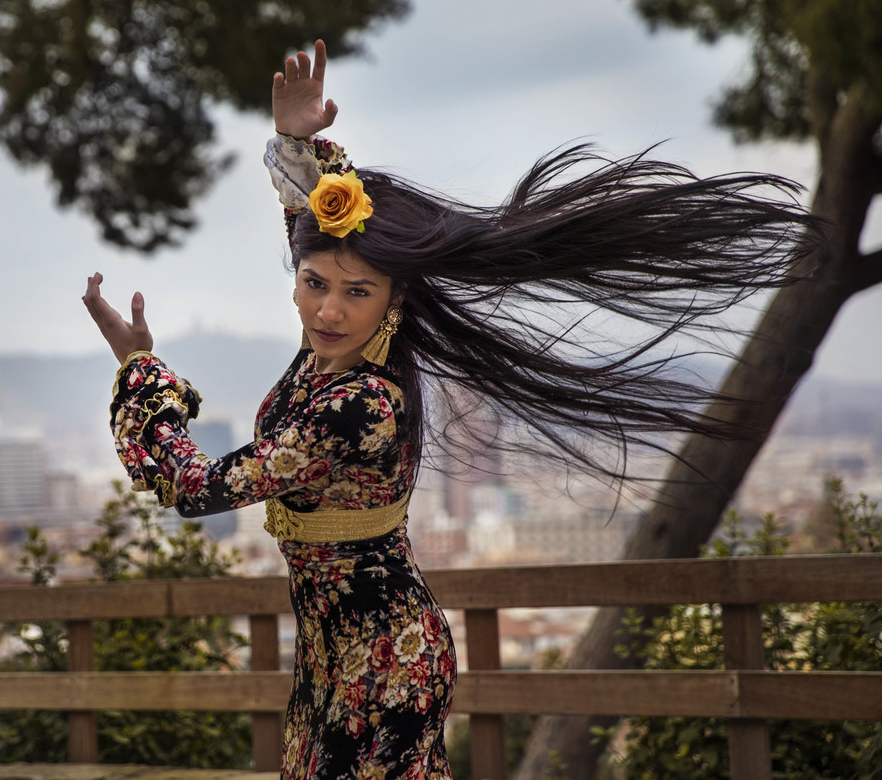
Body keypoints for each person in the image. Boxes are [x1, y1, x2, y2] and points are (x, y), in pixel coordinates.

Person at [82, 40, 819, 779]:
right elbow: (319, 237)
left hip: (388, 663)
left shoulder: (360, 402)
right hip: (330, 657)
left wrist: (140, 372)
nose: (328, 308)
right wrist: (297, 145)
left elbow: (196, 487)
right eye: (312, 284)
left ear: (394, 296)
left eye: (357, 292)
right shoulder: (330, 352)